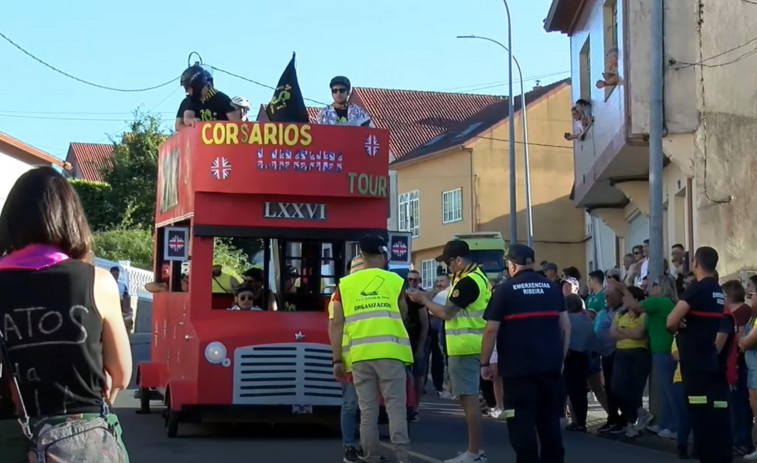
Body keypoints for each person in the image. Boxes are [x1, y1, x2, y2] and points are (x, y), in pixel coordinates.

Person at [0, 167, 132, 461]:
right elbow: (121, 374)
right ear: (72, 219)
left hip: (11, 439)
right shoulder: (97, 281)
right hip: (82, 441)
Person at [481, 244, 570, 463]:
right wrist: (561, 359)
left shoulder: (504, 291)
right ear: (531, 262)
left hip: (516, 371)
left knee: (520, 422)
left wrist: (484, 363)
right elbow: (565, 326)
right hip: (550, 367)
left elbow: (491, 329)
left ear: (511, 265)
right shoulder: (552, 288)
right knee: (549, 422)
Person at [329, 235, 412, 463]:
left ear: (362, 256)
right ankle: (403, 458)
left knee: (368, 412)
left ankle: (371, 456)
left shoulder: (344, 285)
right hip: (391, 354)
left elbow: (336, 323)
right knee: (396, 408)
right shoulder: (394, 281)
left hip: (360, 356)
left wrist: (337, 360)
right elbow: (403, 312)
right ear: (383, 256)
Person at [407, 240, 490, 463]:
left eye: (449, 262)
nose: (447, 267)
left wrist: (424, 299)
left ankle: (474, 452)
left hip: (465, 348)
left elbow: (446, 313)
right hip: (468, 347)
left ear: (459, 260)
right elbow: (448, 297)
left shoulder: (468, 282)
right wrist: (430, 293)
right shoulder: (469, 277)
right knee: (466, 398)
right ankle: (475, 451)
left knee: (468, 400)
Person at [666, 246, 732, 463]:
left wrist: (677, 327)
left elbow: (671, 320)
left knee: (698, 410)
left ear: (695, 263)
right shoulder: (718, 292)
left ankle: (704, 454)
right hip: (709, 358)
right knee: (714, 410)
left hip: (693, 358)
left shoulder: (697, 289)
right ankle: (719, 455)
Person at [612, 286, 651, 438]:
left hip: (639, 353)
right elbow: (611, 333)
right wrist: (628, 334)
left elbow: (638, 334)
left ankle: (630, 424)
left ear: (635, 300)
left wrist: (622, 332)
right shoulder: (619, 314)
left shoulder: (643, 315)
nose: (623, 300)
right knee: (618, 387)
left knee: (635, 389)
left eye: (626, 298)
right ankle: (641, 412)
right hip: (621, 353)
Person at [563, 294, 600, 432]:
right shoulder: (586, 319)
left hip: (573, 356)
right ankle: (579, 421)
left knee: (574, 391)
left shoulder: (569, 320)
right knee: (580, 390)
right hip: (587, 356)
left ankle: (578, 422)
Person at [404, 270, 429, 421]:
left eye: (415, 280)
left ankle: (415, 408)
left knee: (418, 375)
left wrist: (420, 346)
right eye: (410, 280)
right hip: (403, 341)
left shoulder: (421, 298)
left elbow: (425, 325)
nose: (412, 282)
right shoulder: (402, 295)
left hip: (418, 339)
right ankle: (407, 405)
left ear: (419, 281)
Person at [110, 265, 133, 332]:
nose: (115, 276)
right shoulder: (105, 284)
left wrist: (127, 310)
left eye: (117, 274)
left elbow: (127, 297)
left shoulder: (122, 286)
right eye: (113, 274)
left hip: (121, 308)